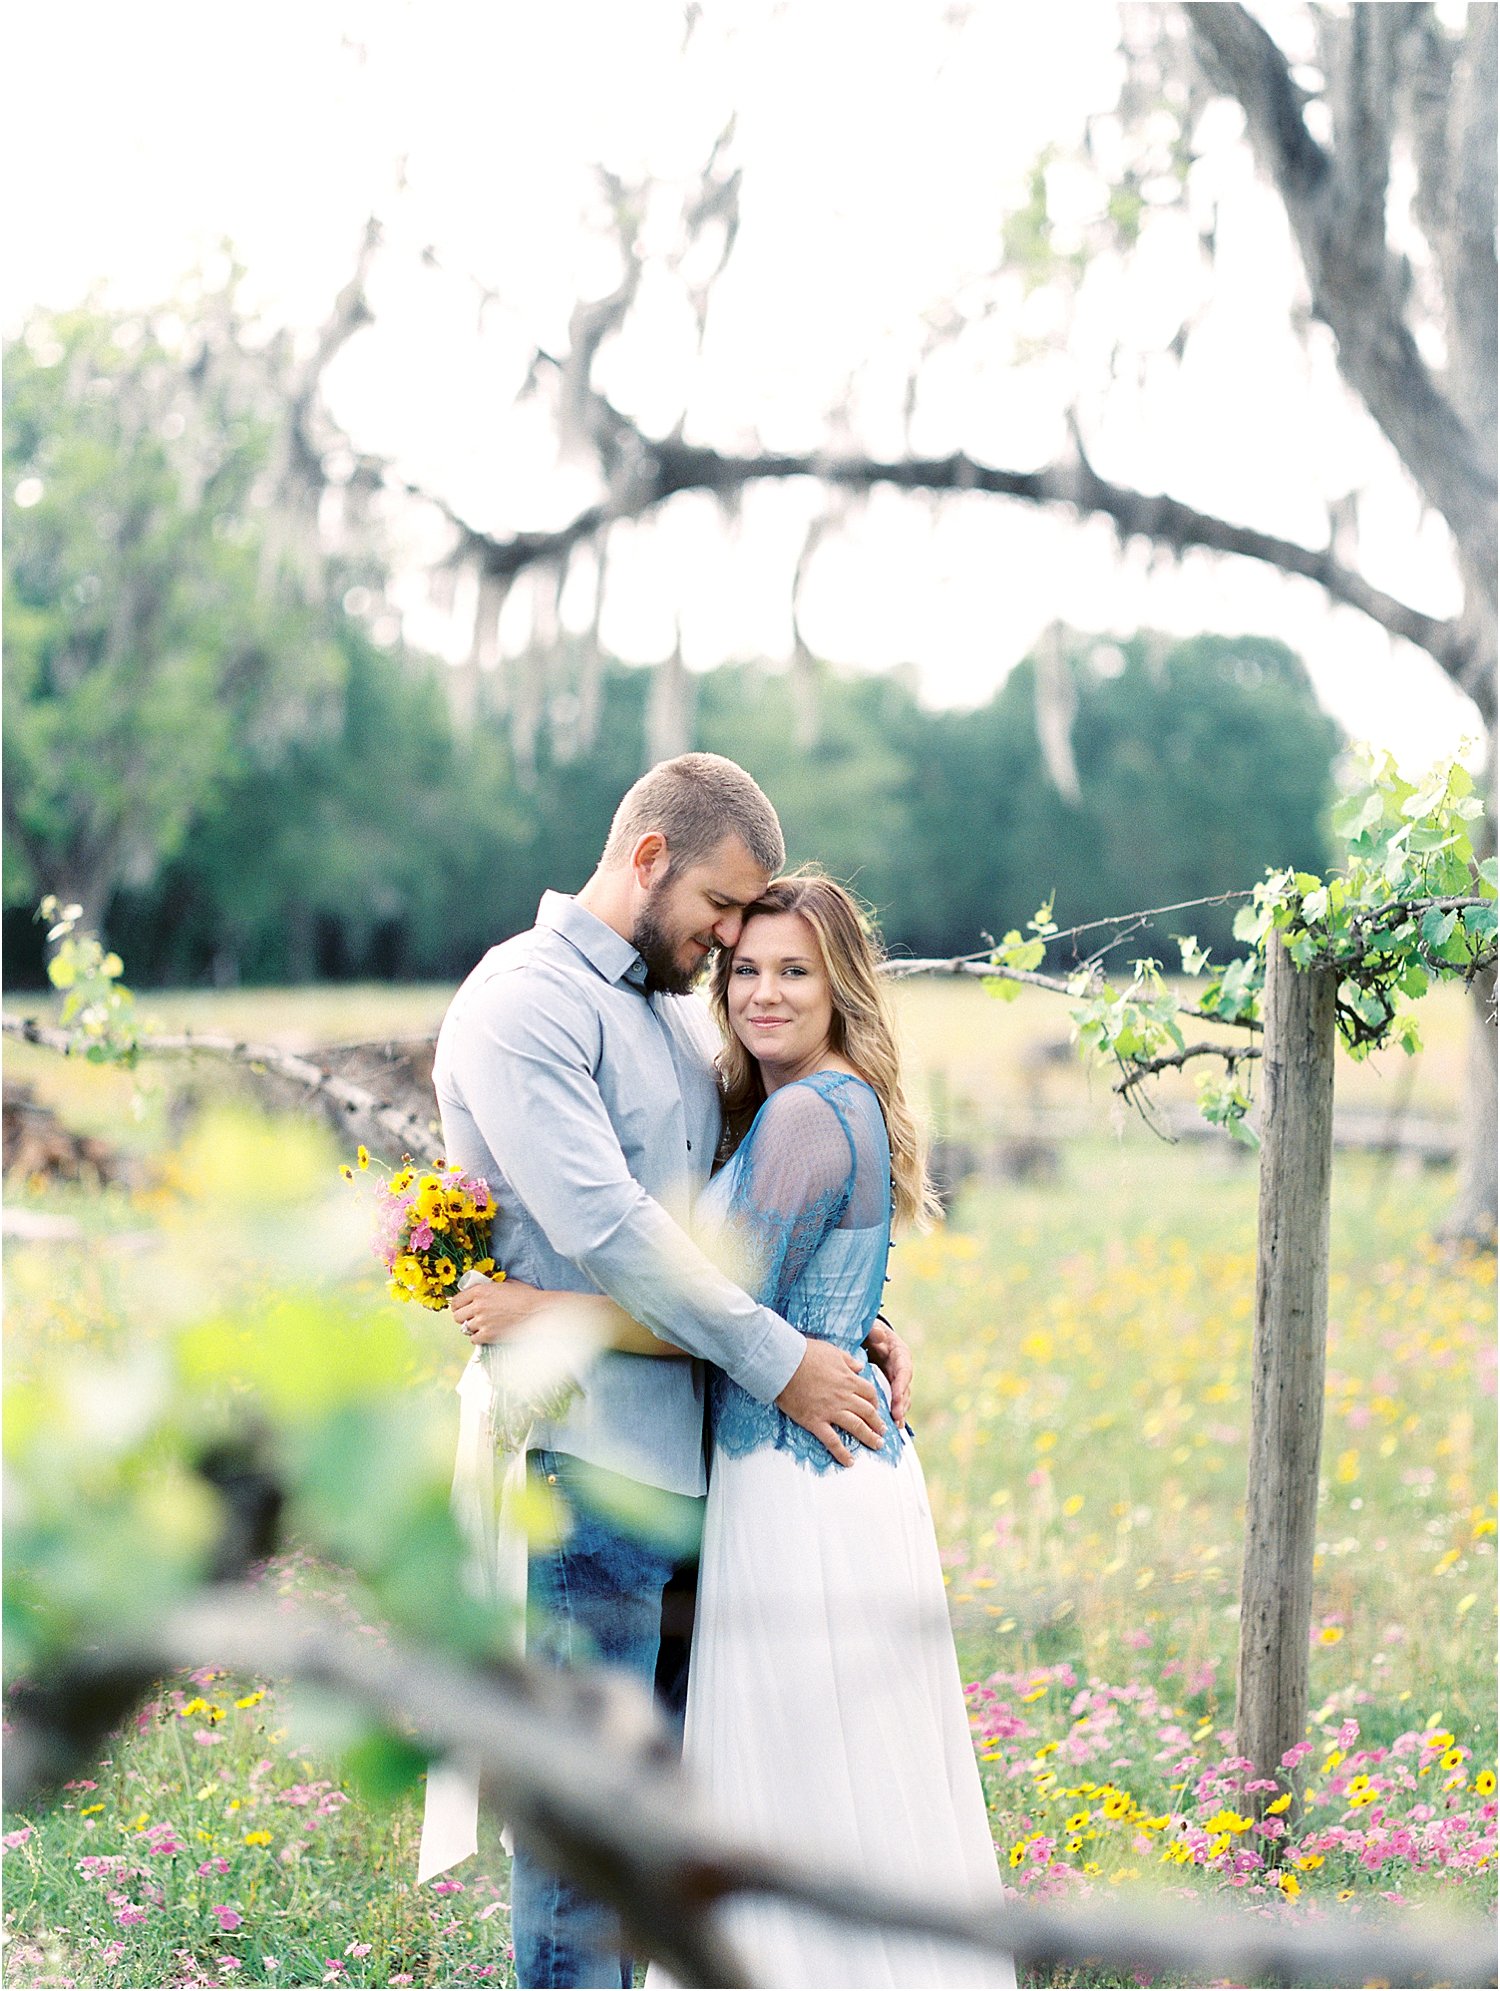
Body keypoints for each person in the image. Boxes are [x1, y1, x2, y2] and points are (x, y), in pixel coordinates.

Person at [466, 873, 1012, 1990]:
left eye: (793, 970)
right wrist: (860, 1324)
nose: (762, 992)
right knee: (825, 1788)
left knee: (798, 1789)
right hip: (814, 1468)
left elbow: (700, 1311)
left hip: (799, 1486)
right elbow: (772, 1294)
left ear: (841, 985)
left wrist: (535, 1314)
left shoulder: (811, 1113)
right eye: (745, 967)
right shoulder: (801, 1102)